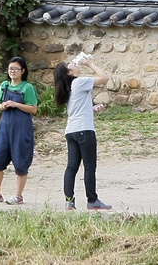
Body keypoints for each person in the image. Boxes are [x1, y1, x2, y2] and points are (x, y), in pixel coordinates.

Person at [54, 54, 113, 210]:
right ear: (69, 72)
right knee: (89, 166)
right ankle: (92, 200)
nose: (74, 63)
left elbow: (77, 109)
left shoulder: (67, 88)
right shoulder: (79, 82)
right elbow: (104, 78)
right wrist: (90, 64)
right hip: (84, 130)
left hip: (71, 130)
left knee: (72, 166)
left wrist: (92, 109)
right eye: (69, 64)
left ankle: (69, 201)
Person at [0, 55, 39, 206]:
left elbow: (33, 109)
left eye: (16, 69)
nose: (12, 71)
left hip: (21, 128)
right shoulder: (4, 85)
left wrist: (16, 104)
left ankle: (18, 195)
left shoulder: (27, 87)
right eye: (10, 68)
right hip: (4, 127)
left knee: (21, 161)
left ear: (23, 71)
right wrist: (3, 105)